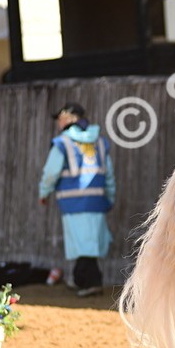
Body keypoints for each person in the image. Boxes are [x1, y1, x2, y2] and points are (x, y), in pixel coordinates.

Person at [38, 102, 116, 297]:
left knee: (82, 245)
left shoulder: (62, 142)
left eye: (59, 117)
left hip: (73, 203)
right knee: (88, 243)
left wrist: (44, 192)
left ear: (69, 118)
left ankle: (91, 282)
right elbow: (109, 174)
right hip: (97, 201)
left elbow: (50, 172)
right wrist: (110, 196)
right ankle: (79, 279)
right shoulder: (99, 141)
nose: (58, 122)